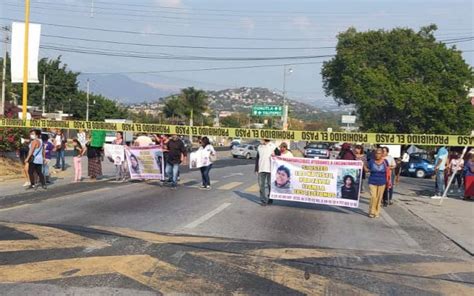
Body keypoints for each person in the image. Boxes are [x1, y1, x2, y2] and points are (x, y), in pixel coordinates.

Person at [364, 148, 390, 218]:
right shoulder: (371, 161)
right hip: (372, 181)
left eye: (379, 153)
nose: (377, 155)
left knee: (379, 198)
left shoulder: (385, 161)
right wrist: (364, 167)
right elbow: (366, 168)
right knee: (373, 197)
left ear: (382, 154)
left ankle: (377, 211)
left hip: (382, 182)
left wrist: (389, 181)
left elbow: (388, 171)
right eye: (376, 153)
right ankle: (371, 211)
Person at [255, 139, 278, 206]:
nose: (260, 140)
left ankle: (270, 198)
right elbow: (257, 158)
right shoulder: (259, 147)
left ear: (265, 139)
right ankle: (263, 201)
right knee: (261, 185)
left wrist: (275, 154)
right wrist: (256, 169)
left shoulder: (272, 146)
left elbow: (279, 154)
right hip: (261, 169)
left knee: (270, 185)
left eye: (261, 139)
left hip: (270, 169)